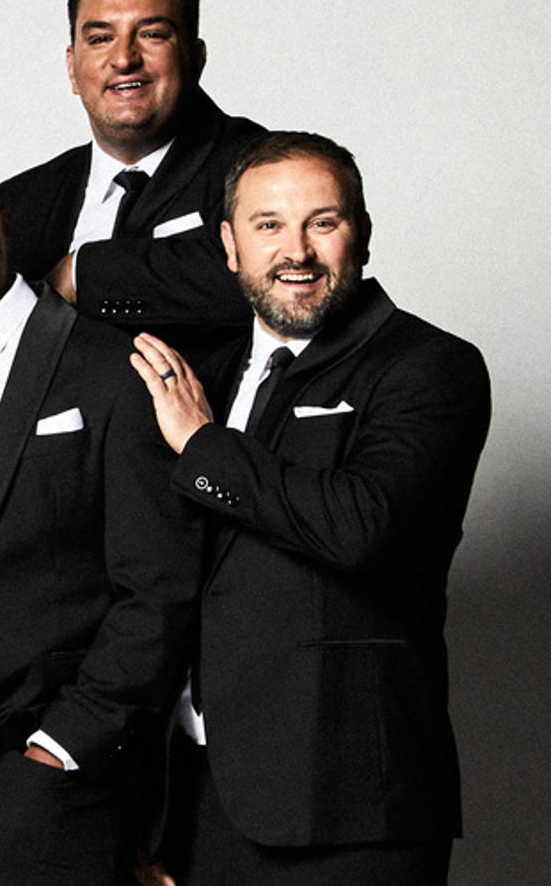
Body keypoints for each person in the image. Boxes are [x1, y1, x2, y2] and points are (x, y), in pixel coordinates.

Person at [130, 132, 489, 885]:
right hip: (197, 803)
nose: (296, 251)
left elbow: (361, 523)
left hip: (351, 811)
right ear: (229, 245)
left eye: (322, 222)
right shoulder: (207, 374)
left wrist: (204, 445)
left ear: (361, 232)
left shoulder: (431, 365)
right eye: (268, 226)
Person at [0, 137, 197, 884]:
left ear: (4, 220)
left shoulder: (110, 369)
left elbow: (160, 586)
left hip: (49, 776)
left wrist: (67, 742)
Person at [3, 0, 263, 343]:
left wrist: (81, 273)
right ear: (72, 68)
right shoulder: (20, 201)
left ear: (195, 59)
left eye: (152, 34)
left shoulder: (262, 166)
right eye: (101, 39)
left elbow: (267, 276)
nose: (124, 59)